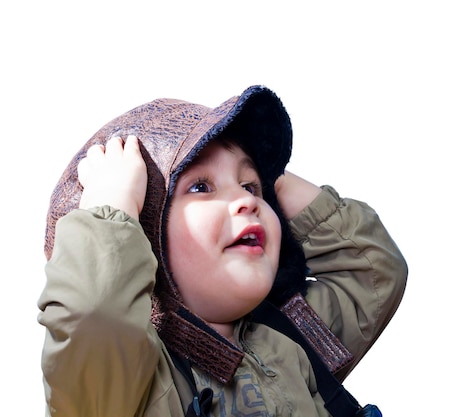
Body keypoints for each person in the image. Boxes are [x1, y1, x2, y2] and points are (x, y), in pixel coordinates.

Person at [38, 85, 408, 416]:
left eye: (250, 186)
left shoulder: (293, 340)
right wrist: (113, 202)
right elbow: (94, 314)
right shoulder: (133, 385)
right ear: (144, 235)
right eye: (200, 187)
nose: (246, 201)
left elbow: (373, 269)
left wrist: (267, 171)